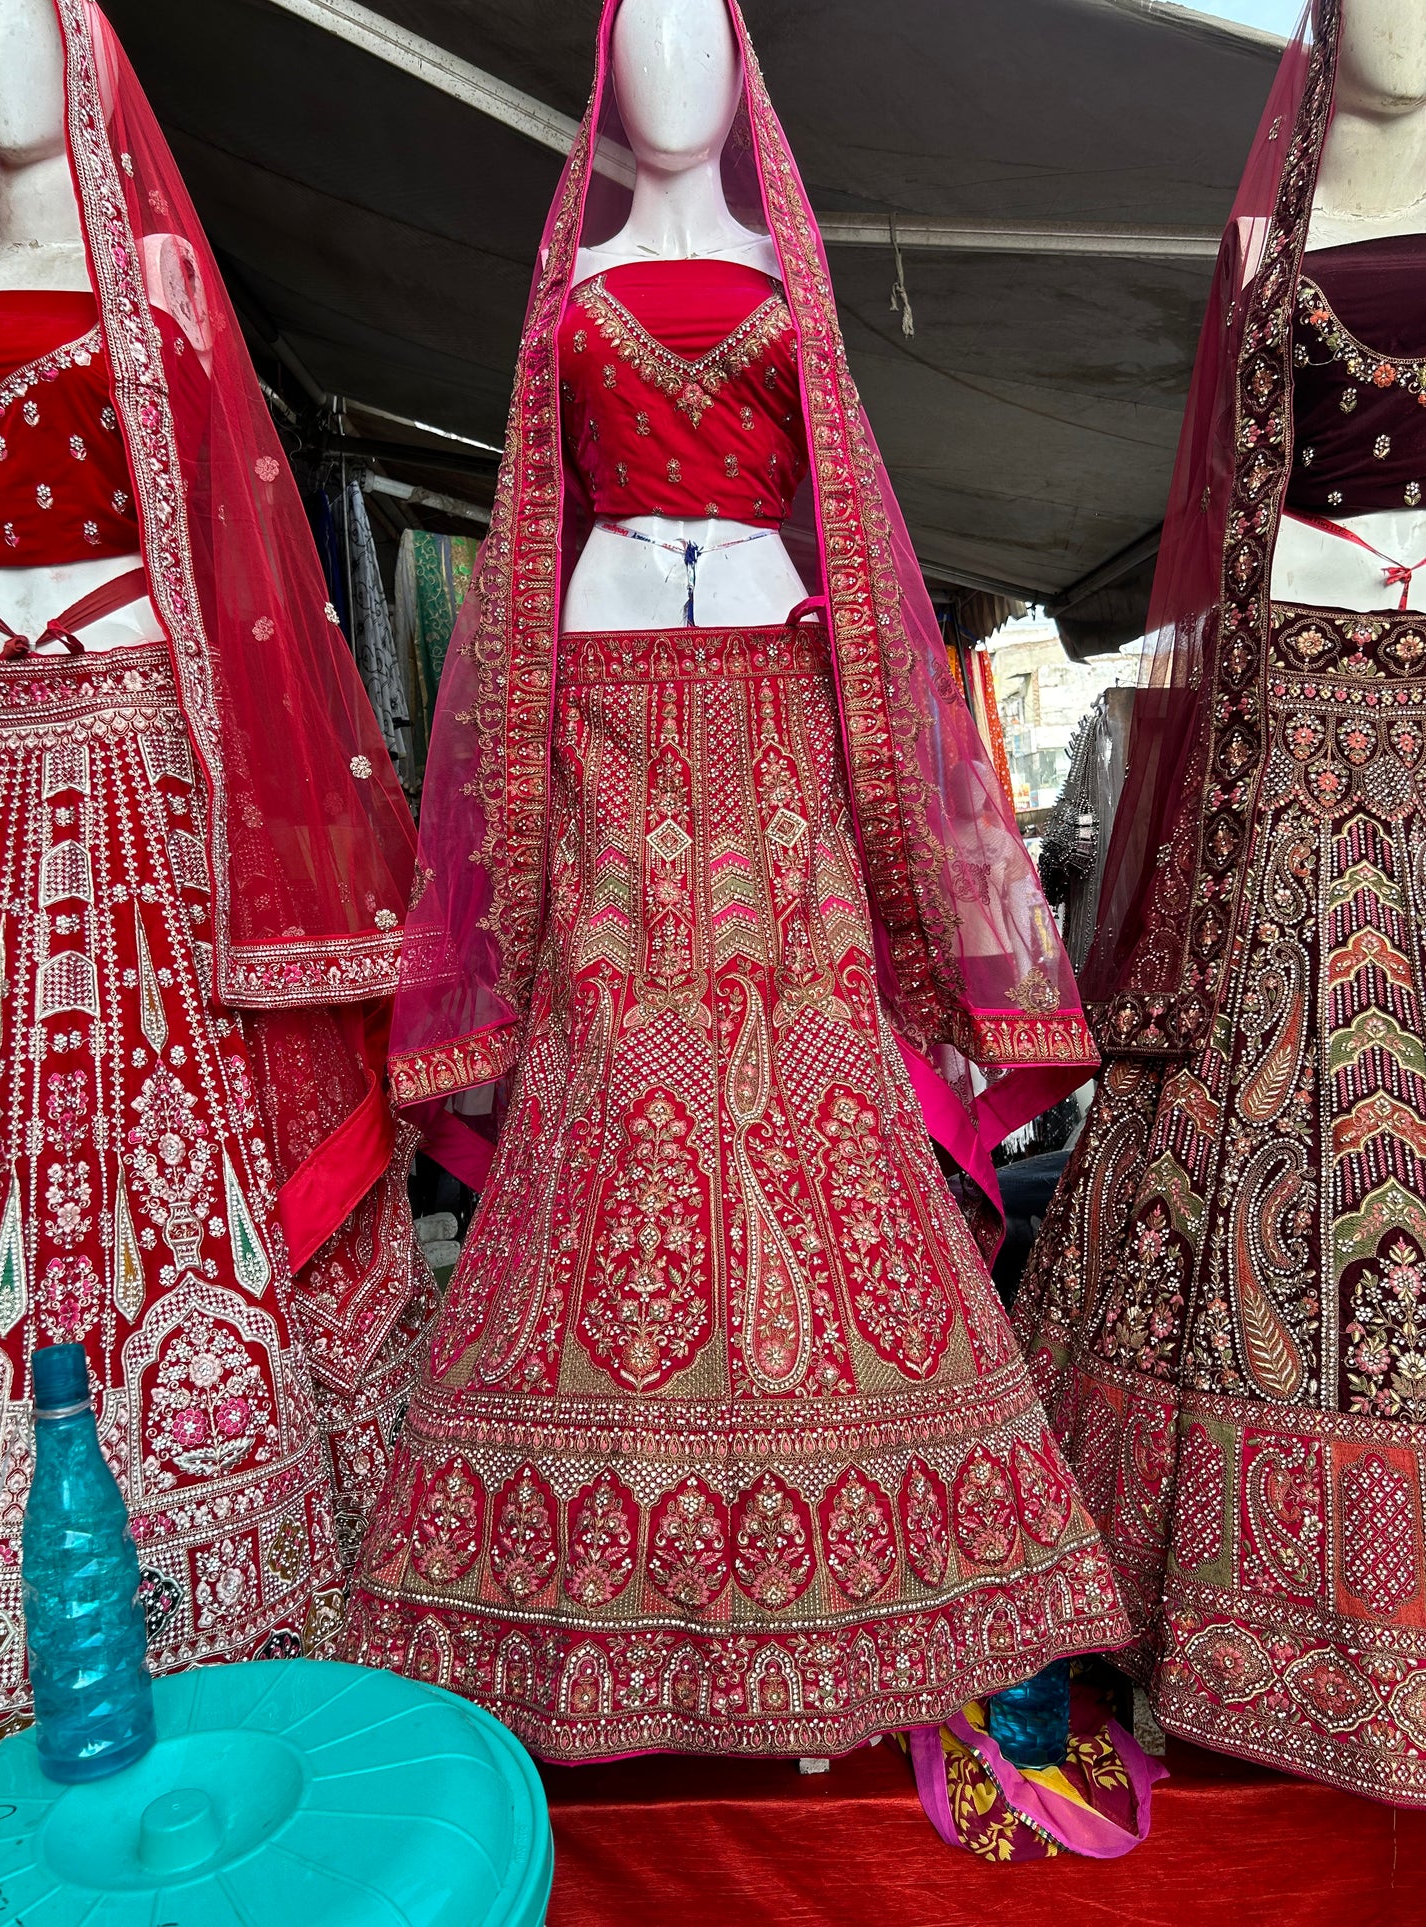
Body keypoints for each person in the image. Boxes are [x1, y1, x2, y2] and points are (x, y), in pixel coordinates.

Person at [346, 0, 1127, 1761]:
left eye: (703, 38)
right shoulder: (566, 291)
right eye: (646, 41)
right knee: (621, 1082)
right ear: (603, 77)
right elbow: (534, 518)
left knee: (811, 1078)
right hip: (604, 694)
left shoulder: (793, 280)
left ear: (742, 68)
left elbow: (844, 507)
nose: (676, 73)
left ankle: (865, 1564)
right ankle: (583, 1586)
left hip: (775, 700)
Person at [0, 0, 432, 1726]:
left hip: (143, 782)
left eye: (25, 26)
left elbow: (244, 583)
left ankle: (224, 1526)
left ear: (88, 51)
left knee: (183, 1128)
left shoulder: (165, 288)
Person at [1014, 0, 1426, 1805]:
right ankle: (1228, 1609)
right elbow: (1226, 521)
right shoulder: (1270, 230)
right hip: (1295, 739)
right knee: (1267, 1115)